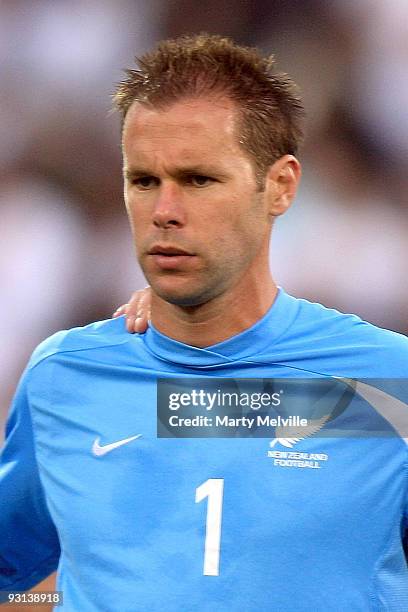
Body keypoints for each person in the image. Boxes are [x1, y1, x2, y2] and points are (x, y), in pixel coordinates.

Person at [1, 33, 408, 612]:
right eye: (143, 181)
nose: (164, 211)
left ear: (280, 186)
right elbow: (13, 575)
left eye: (198, 180)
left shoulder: (386, 384)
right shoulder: (65, 378)